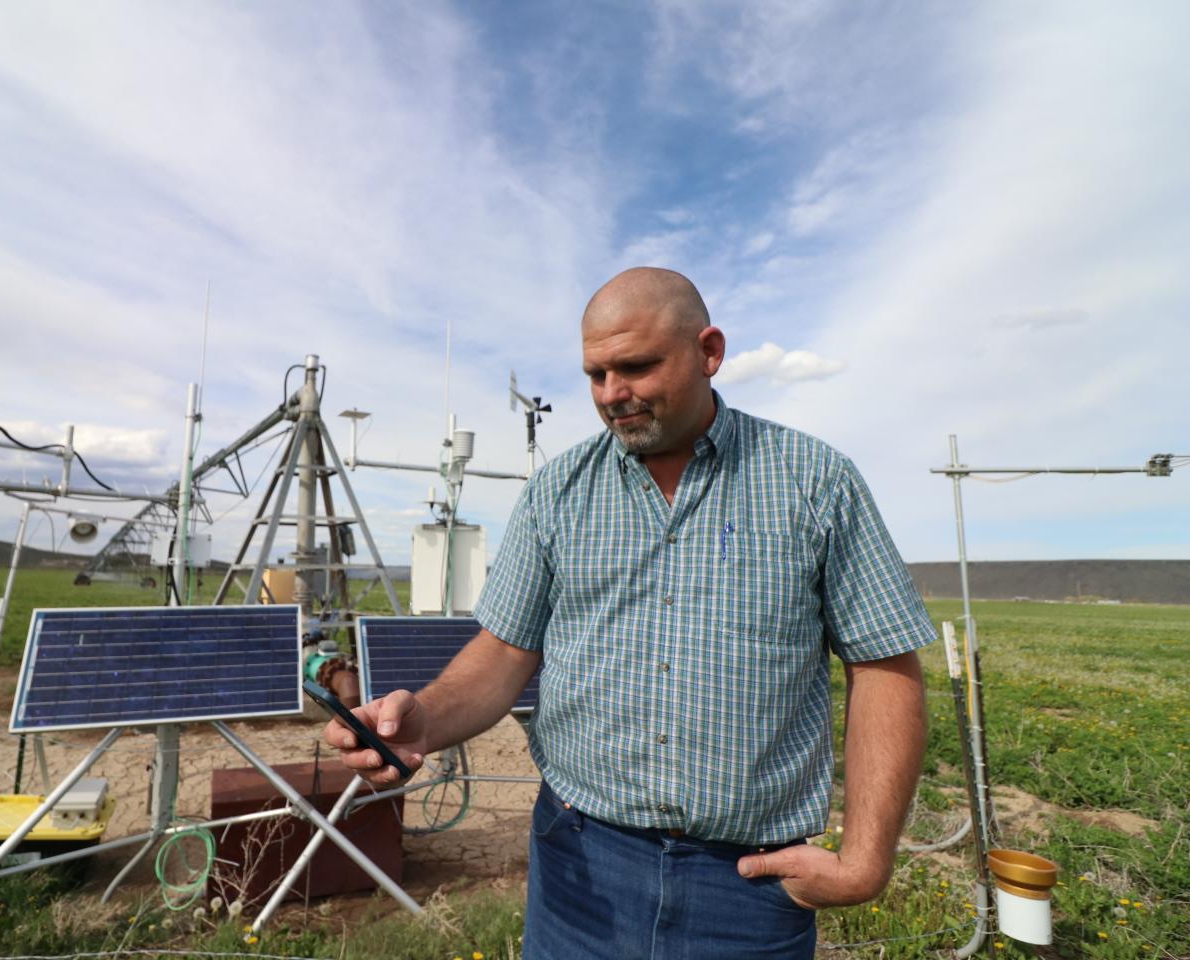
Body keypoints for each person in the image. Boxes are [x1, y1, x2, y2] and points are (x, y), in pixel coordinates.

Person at [325, 267, 936, 958]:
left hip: (749, 883)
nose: (613, 395)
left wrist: (865, 860)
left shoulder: (814, 482)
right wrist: (423, 722)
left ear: (709, 352)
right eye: (595, 374)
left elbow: (883, 662)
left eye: (637, 367)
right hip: (579, 867)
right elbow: (503, 653)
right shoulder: (559, 490)